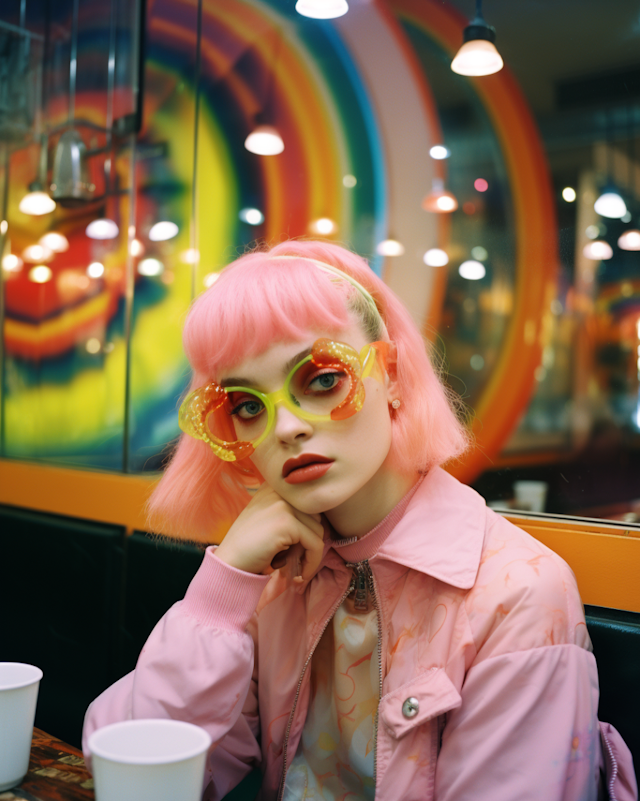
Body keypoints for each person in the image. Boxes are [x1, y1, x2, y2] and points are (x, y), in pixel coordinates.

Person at [82, 240, 636, 801]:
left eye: (322, 380)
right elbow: (130, 775)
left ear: (391, 376)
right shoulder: (272, 577)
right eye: (248, 405)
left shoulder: (515, 594)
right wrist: (220, 588)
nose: (286, 428)